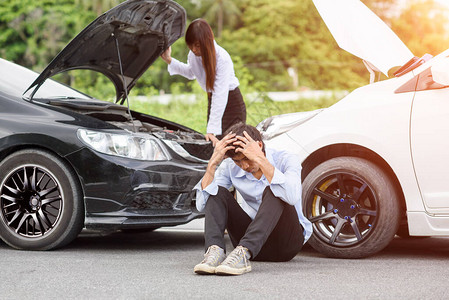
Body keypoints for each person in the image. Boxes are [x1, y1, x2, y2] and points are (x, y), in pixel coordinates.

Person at [193, 123, 312, 275]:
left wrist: (261, 160)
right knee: (217, 191)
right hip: (248, 242)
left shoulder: (286, 159)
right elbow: (202, 205)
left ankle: (243, 253)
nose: (244, 166)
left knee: (276, 189)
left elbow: (292, 196)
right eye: (237, 161)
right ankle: (214, 253)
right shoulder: (230, 166)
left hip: (285, 244)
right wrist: (212, 164)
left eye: (246, 158)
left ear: (259, 146)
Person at [160, 19, 246, 146]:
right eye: (191, 45)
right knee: (214, 146)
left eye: (198, 45)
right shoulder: (193, 55)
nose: (194, 49)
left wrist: (212, 129)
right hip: (213, 101)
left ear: (207, 41)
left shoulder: (222, 58)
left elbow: (220, 94)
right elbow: (190, 72)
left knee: (231, 149)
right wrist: (169, 59)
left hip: (231, 104)